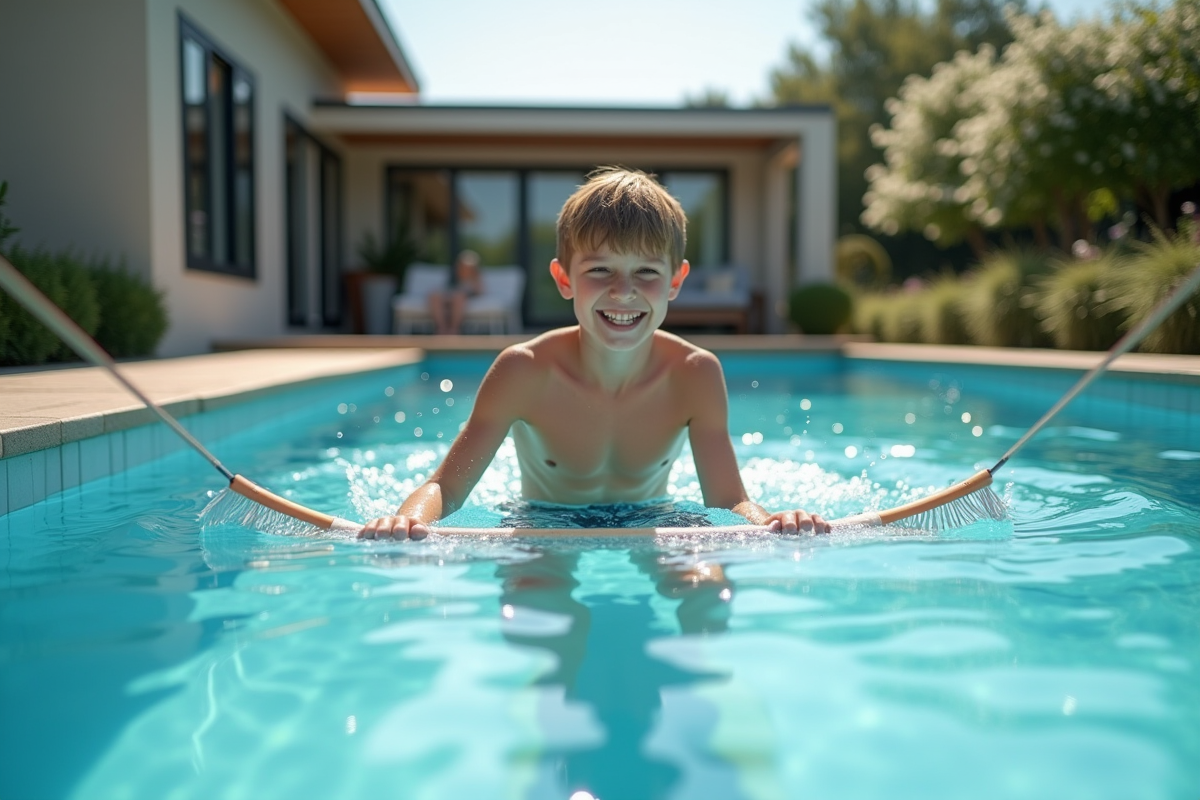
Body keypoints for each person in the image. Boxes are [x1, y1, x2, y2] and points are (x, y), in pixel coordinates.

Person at [361, 167, 829, 540]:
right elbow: (446, 485)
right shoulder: (523, 371)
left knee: (705, 587)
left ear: (675, 281)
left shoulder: (695, 374)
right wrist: (408, 519)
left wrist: (770, 521)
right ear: (564, 279)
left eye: (645, 271)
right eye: (600, 269)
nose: (622, 292)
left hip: (654, 520)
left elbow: (727, 503)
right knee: (536, 610)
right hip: (543, 521)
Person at [428, 249, 483, 334]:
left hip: (462, 299)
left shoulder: (476, 279)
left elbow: (479, 292)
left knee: (458, 297)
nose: (465, 269)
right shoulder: (452, 278)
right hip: (448, 298)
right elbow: (444, 289)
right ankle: (441, 328)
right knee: (435, 296)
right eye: (462, 266)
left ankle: (454, 329)